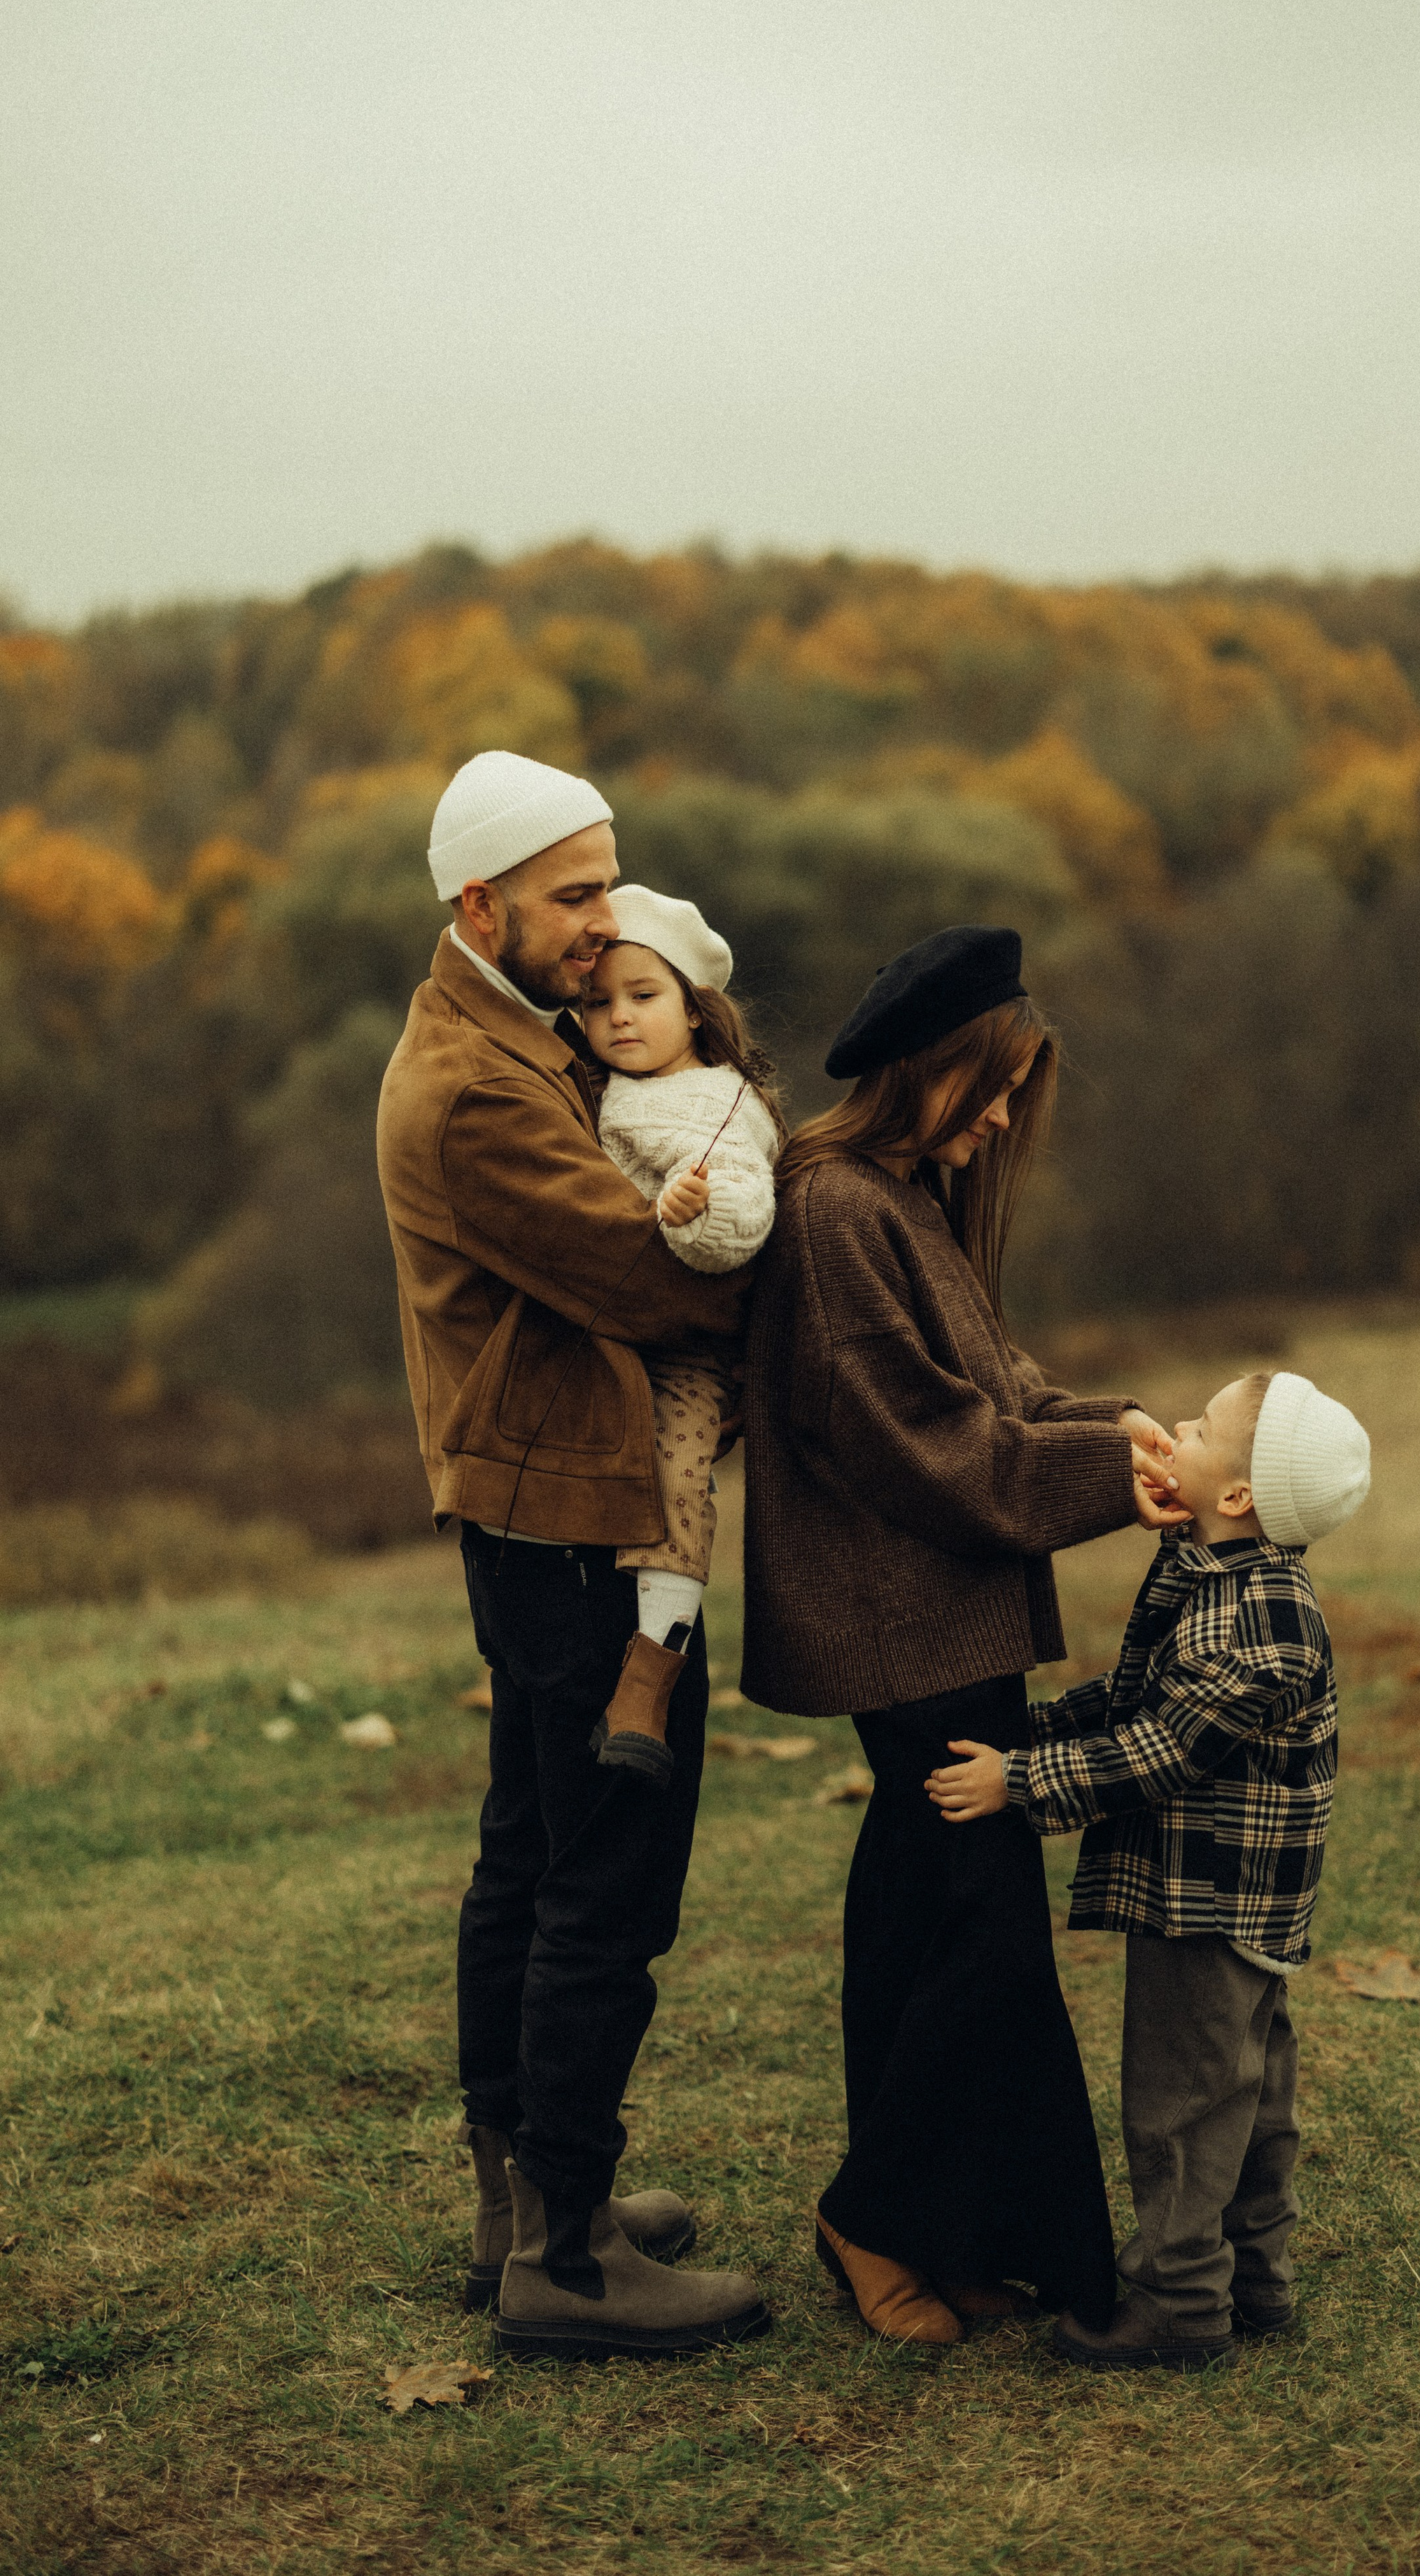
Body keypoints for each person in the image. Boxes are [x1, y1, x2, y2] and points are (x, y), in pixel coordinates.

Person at [740, 923, 1188, 2346]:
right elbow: (925, 1447)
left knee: (924, 1919)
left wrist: (1120, 1430)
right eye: (986, 1084)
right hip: (899, 1623)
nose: (1001, 1117)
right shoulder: (832, 1211)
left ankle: (959, 2239)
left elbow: (1001, 1392)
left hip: (943, 1618)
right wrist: (1116, 1476)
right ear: (922, 1071)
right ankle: (874, 2218)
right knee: (982, 1935)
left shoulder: (900, 1199)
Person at [376, 748, 770, 2362]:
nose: (606, 924)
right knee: (602, 1869)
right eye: (577, 893)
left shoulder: (513, 1035)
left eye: (608, 882)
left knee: (531, 1853)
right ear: (481, 903)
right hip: (570, 1519)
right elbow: (654, 1276)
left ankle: (528, 2207)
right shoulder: (473, 1086)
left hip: (546, 1501)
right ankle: (567, 2255)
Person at [929, 1369, 1370, 2370]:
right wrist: (1026, 1728)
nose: (1176, 1427)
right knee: (1245, 2098)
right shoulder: (1210, 1571)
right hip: (1232, 1897)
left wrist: (1023, 1781)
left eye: (1202, 1426)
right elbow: (1133, 1695)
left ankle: (1179, 2302)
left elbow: (1161, 1747)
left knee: (1184, 2104)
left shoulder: (1261, 1618)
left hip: (1215, 1900)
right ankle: (1256, 2282)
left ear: (1241, 1496)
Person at [579, 885, 783, 1784]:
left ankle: (648, 1676)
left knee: (674, 1478)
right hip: (622, 1333)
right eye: (597, 1002)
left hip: (697, 1350)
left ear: (696, 1012)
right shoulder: (616, 1089)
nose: (618, 1017)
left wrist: (689, 1216)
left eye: (643, 996)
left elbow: (741, 1214)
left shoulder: (715, 1105)